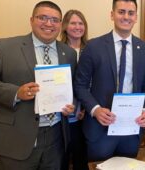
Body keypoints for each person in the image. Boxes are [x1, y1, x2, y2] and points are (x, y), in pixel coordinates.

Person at [0, 1, 76, 170]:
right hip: (17, 138)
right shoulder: (7, 47)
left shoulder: (68, 53)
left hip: (56, 138)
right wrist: (16, 93)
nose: (49, 24)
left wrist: (73, 106)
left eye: (55, 20)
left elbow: (74, 89)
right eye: (43, 18)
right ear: (32, 20)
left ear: (60, 25)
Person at [74, 0, 145, 161]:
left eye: (130, 13)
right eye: (121, 12)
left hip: (131, 129)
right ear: (112, 15)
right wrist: (95, 110)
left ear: (136, 17)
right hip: (100, 128)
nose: (126, 17)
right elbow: (80, 85)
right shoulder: (94, 46)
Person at [60, 10, 89, 170]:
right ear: (65, 26)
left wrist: (85, 107)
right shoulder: (57, 50)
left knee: (82, 157)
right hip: (64, 114)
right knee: (62, 157)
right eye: (73, 23)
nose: (77, 27)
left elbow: (92, 83)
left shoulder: (91, 49)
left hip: (85, 115)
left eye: (80, 23)